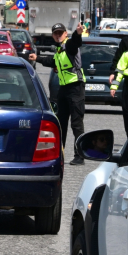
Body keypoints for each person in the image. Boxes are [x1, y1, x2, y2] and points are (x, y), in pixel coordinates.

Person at [28, 22, 86, 165]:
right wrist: (38, 58)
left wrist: (78, 33)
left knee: (76, 123)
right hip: (64, 89)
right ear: (53, 36)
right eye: (56, 33)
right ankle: (59, 152)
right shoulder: (60, 51)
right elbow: (52, 61)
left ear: (66, 34)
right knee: (60, 122)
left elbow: (75, 43)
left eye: (61, 33)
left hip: (76, 88)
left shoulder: (69, 46)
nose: (58, 35)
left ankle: (80, 155)